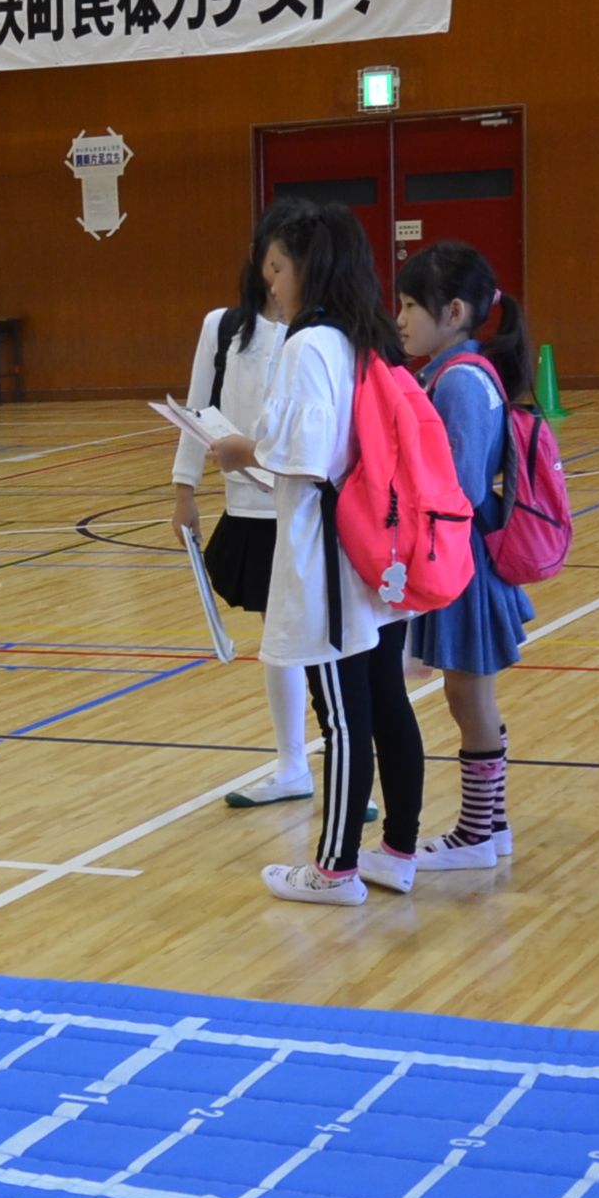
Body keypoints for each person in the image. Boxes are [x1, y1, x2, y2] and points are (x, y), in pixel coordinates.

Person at [207, 204, 417, 903]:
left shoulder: (309, 346)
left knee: (344, 716)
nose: (269, 284)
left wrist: (242, 453)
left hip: (331, 557)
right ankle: (398, 852)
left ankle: (335, 870)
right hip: (376, 550)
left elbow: (304, 461)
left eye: (275, 267)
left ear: (308, 266)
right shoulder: (368, 338)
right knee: (387, 703)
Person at [395, 240, 538, 870]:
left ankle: (477, 835)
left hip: (464, 562)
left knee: (469, 698)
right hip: (461, 557)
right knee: (465, 695)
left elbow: (461, 485)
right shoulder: (453, 371)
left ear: (452, 310)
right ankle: (491, 826)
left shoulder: (458, 381)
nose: (397, 317)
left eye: (407, 304)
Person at [170, 211, 317, 811]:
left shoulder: (318, 331)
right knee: (277, 638)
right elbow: (196, 408)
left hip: (305, 507)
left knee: (317, 640)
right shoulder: (223, 327)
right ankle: (291, 764)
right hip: (248, 510)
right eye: (273, 261)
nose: (277, 275)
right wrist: (184, 490)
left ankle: (345, 762)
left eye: (289, 264)